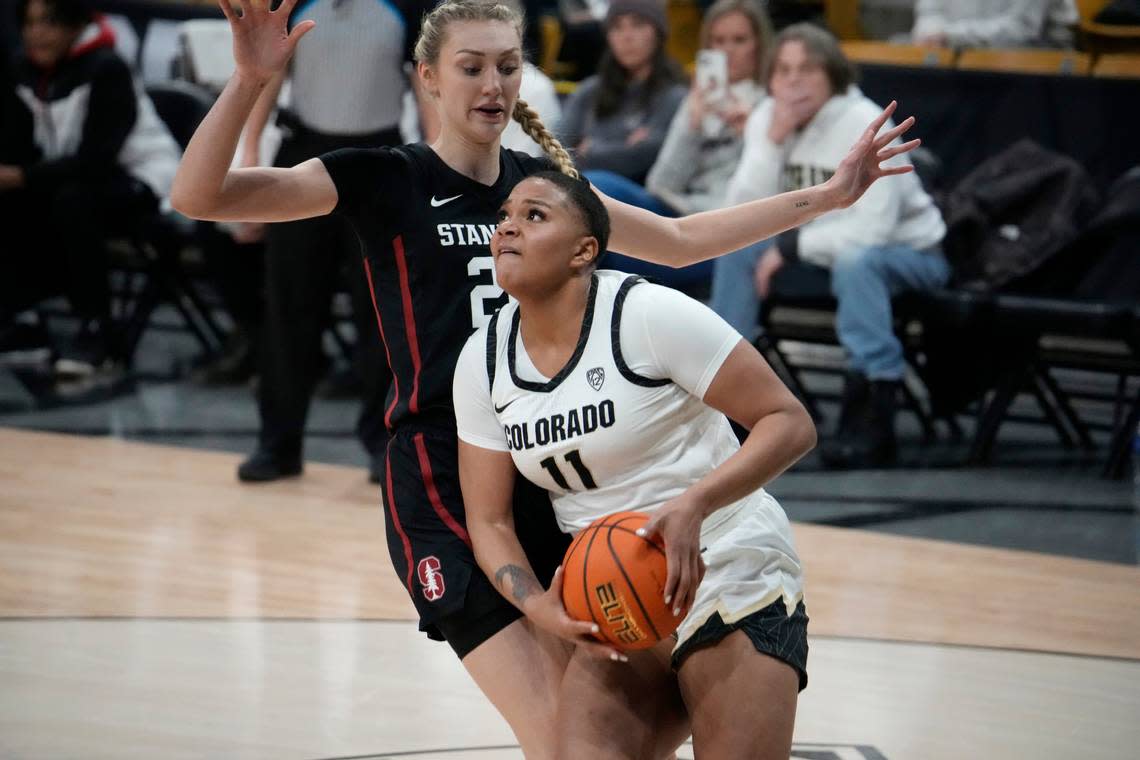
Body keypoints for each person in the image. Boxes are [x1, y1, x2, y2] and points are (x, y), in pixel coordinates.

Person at [170, 0, 917, 751]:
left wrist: (826, 197)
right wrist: (248, 81)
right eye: (471, 67)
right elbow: (201, 196)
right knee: (558, 740)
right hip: (444, 486)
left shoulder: (545, 187)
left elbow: (684, 242)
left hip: (550, 479)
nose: (492, 83)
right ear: (427, 76)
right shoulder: (384, 178)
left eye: (506, 65)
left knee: (615, 735)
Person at [452, 171, 814, 759]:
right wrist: (539, 604)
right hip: (615, 594)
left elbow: (788, 422)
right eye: (504, 217)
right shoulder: (483, 359)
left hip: (726, 563)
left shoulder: (647, 315)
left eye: (535, 215)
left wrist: (695, 502)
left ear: (584, 251)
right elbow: (489, 521)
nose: (508, 228)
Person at [722, 23, 948, 469]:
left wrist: (788, 249)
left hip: (912, 254)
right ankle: (728, 391)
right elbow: (737, 215)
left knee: (856, 262)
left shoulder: (863, 122)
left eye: (807, 69)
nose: (792, 81)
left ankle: (871, 413)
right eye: (783, 70)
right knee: (735, 249)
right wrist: (770, 144)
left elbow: (873, 231)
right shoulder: (769, 115)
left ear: (833, 74)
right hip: (820, 251)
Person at [230, 0, 433, 483]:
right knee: (289, 309)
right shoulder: (294, 4)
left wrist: (436, 168)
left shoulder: (404, 9)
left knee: (381, 316)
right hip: (303, 159)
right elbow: (268, 76)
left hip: (379, 161)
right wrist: (250, 152)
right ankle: (278, 443)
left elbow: (426, 88)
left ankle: (384, 444)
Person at [0, 0, 182, 377]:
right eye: (29, 23)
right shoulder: (23, 69)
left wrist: (23, 177)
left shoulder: (106, 66)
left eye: (49, 22)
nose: (37, 33)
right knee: (17, 200)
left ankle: (98, 328)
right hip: (69, 176)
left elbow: (97, 159)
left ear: (74, 24)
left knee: (72, 203)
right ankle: (23, 318)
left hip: (143, 179)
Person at [645, 0, 771, 217]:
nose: (727, 50)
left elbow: (768, 189)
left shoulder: (771, 102)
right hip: (680, 213)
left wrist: (753, 131)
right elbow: (659, 185)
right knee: (600, 189)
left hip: (730, 217)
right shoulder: (696, 99)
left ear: (759, 44)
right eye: (718, 41)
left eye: (739, 40)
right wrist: (691, 126)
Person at [558, 0, 687, 188]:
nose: (627, 37)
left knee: (598, 183)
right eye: (617, 27)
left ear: (658, 33)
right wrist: (626, 145)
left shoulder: (674, 96)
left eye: (638, 25)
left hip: (642, 198)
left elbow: (646, 156)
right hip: (578, 192)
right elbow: (553, 151)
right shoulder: (590, 90)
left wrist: (590, 148)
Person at [909, 0, 1079, 49]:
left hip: (1035, 77)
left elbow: (1021, 30)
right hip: (956, 69)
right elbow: (929, 13)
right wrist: (930, 33)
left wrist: (949, 35)